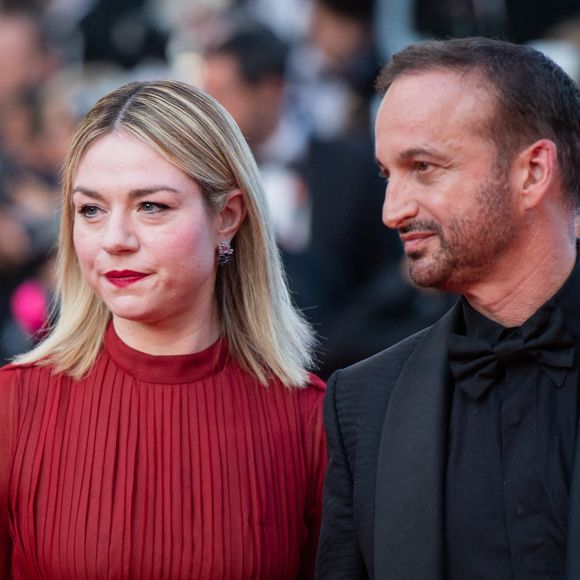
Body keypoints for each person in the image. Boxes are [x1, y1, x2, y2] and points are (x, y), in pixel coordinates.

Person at [0, 79, 327, 579]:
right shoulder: (13, 408)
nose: (115, 239)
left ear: (228, 217)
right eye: (91, 209)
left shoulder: (311, 421)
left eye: (151, 206)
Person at [316, 37, 580, 579]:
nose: (393, 211)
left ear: (532, 171)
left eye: (425, 167)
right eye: (388, 174)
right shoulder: (364, 404)